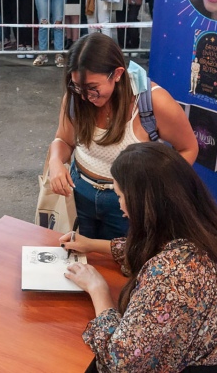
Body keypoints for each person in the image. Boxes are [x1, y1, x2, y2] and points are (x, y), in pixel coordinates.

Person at [60, 142, 217, 372]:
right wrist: (91, 245)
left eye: (120, 196)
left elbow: (122, 361)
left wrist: (98, 289)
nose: (120, 206)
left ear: (145, 204)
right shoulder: (207, 230)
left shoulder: (171, 275)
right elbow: (145, 249)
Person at [48, 33, 198, 240]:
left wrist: (155, 189)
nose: (85, 97)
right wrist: (56, 162)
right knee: (75, 257)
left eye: (93, 88)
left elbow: (188, 148)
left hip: (129, 206)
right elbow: (63, 140)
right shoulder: (75, 97)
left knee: (122, 264)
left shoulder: (154, 102)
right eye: (77, 87)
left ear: (117, 73)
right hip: (78, 193)